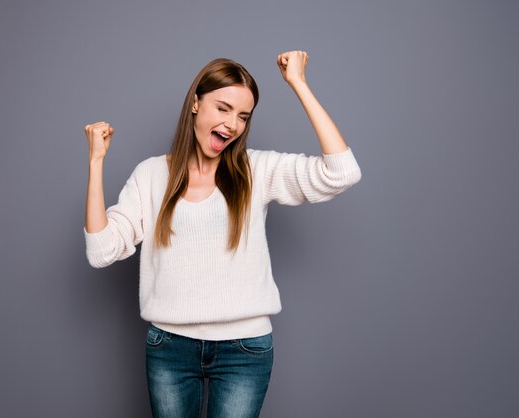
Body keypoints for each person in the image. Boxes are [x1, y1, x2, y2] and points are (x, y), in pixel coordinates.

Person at [83, 50, 362, 418]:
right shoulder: (151, 175)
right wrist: (96, 162)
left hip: (244, 350)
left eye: (243, 116)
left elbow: (342, 173)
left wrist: (299, 84)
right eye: (223, 108)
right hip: (170, 348)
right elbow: (101, 251)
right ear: (196, 104)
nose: (232, 124)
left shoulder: (256, 170)